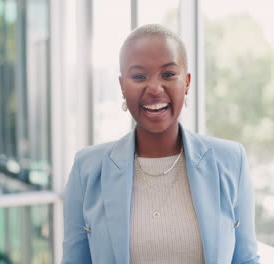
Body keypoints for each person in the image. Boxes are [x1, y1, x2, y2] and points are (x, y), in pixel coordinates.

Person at [62, 24, 260, 264]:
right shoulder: (88, 168)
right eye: (138, 76)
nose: (154, 88)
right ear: (122, 86)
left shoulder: (231, 161)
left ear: (186, 82)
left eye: (168, 74)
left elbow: (246, 260)